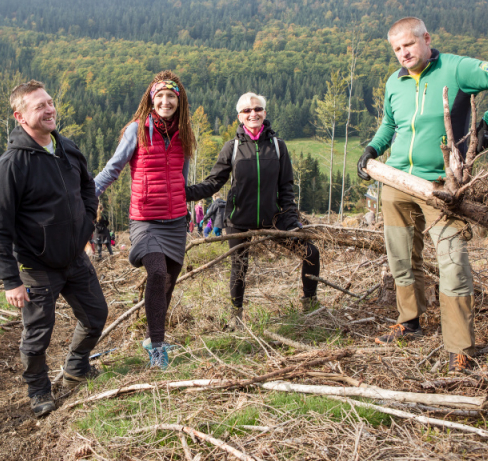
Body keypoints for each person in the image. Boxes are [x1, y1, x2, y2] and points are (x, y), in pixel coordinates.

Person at [357, 17, 488, 373]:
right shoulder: (394, 81)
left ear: (426, 39)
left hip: (442, 186)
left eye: (408, 44)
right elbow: (390, 124)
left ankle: (460, 346)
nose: (403, 53)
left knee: (453, 263)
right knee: (401, 257)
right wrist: (373, 149)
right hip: (396, 182)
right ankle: (409, 322)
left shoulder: (456, 69)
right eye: (396, 49)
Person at [0, 79, 108, 418]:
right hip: (36, 265)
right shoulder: (12, 165)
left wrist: (87, 223)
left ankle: (77, 367)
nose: (50, 109)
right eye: (40, 106)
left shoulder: (66, 147)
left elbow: (87, 185)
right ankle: (38, 390)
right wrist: (10, 280)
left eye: (50, 102)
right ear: (20, 116)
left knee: (96, 316)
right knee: (38, 334)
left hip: (74, 258)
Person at [187, 92, 321, 329]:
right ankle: (236, 315)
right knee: (239, 267)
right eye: (247, 110)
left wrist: (291, 220)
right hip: (239, 220)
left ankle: (309, 303)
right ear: (240, 116)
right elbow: (213, 183)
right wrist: (183, 192)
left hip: (274, 219)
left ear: (265, 113)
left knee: (311, 252)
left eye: (257, 109)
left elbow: (286, 187)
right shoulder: (232, 147)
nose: (253, 114)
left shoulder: (278, 147)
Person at [95, 71, 195, 369]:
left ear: (179, 101)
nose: (166, 101)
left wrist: (189, 205)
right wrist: (86, 194)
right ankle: (158, 350)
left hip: (176, 221)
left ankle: (153, 338)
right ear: (152, 100)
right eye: (160, 96)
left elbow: (182, 177)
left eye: (171, 96)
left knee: (168, 285)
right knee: (157, 273)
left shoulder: (184, 133)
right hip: (146, 220)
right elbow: (113, 168)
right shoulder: (137, 130)